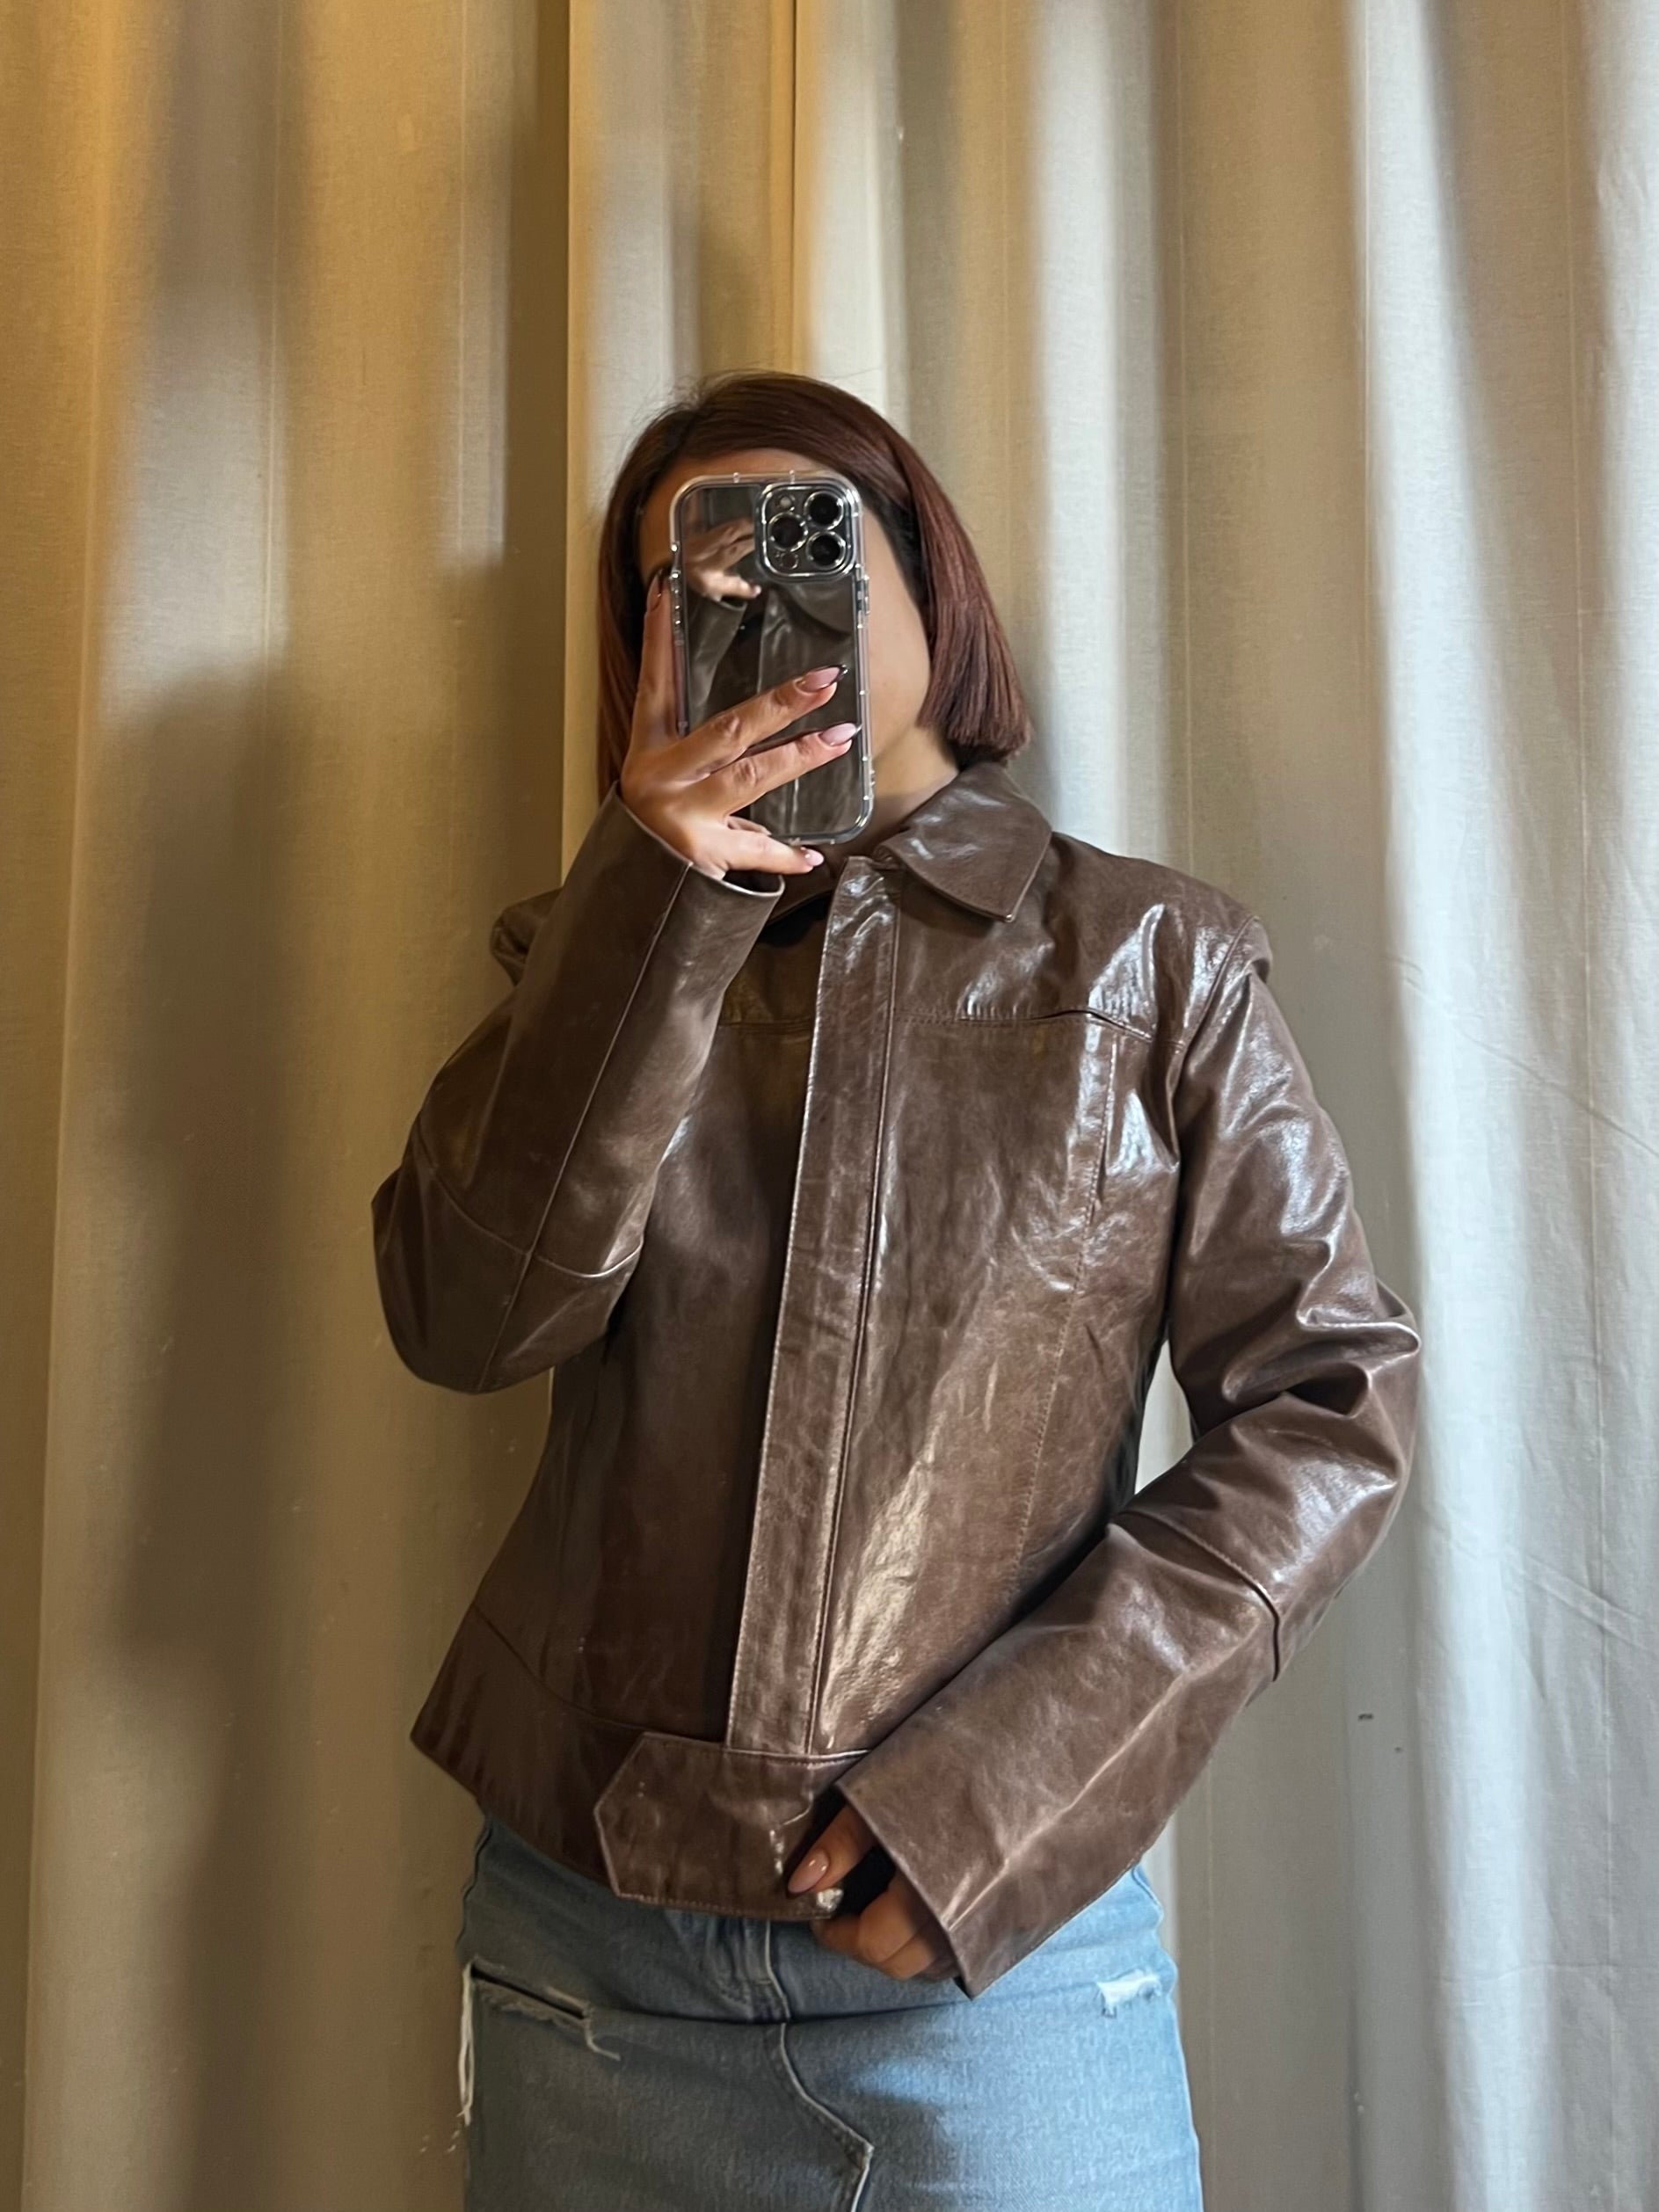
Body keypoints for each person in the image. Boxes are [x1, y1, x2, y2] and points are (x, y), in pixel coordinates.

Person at [370, 369, 1422, 2210]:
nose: (759, 605)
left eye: (813, 547)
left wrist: (1006, 1791)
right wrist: (655, 903)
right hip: (588, 1949)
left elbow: (1327, 1410)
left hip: (990, 1958)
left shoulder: (1150, 957)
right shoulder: (586, 957)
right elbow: (470, 1319)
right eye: (691, 587)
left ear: (931, 584)